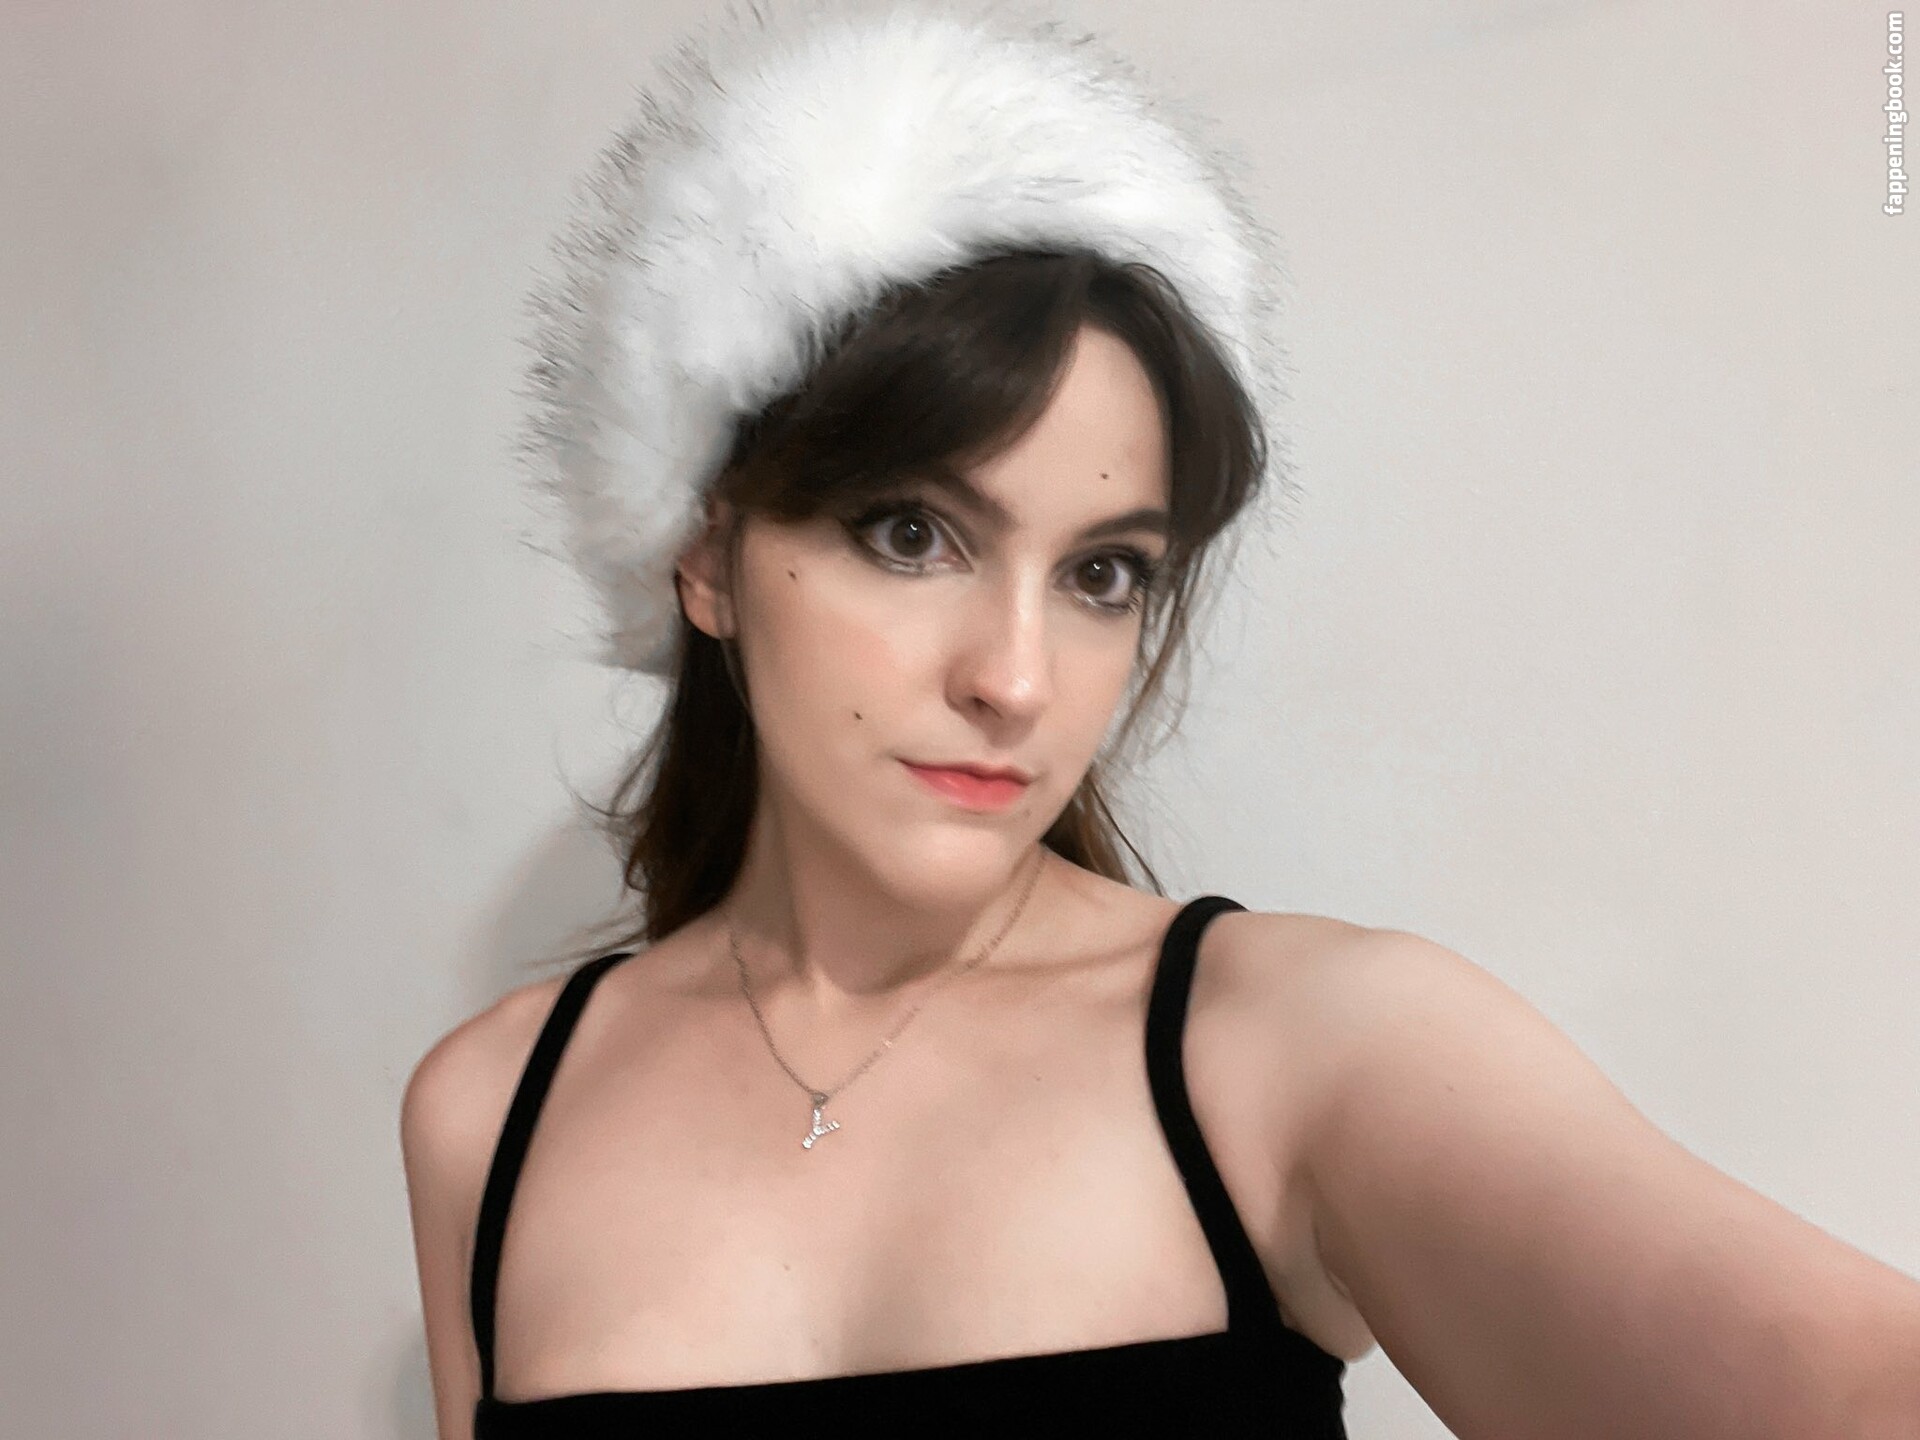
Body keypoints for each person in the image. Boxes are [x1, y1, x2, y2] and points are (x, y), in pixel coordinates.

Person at [399, 3, 1920, 1437]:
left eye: (1102, 573)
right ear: (707, 552)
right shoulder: (490, 1117)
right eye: (913, 535)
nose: (1016, 678)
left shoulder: (1297, 1051)